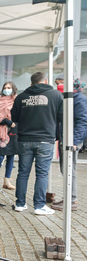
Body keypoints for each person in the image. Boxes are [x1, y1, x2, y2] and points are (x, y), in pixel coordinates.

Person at [11, 72, 63, 215]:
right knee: (42, 174)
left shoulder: (21, 97)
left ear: (31, 82)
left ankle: (20, 204)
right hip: (45, 140)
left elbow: (14, 117)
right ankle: (39, 206)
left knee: (23, 173)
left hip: (24, 140)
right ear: (45, 81)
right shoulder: (56, 95)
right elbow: (61, 117)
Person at [52, 78, 87, 211]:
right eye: (57, 84)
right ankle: (69, 198)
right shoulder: (66, 98)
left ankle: (72, 200)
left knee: (68, 169)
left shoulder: (79, 99)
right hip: (65, 139)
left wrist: (74, 141)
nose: (59, 85)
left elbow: (83, 122)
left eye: (62, 82)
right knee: (65, 169)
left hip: (71, 141)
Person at [0, 82, 18, 190]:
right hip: (1, 131)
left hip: (13, 131)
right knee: (0, 156)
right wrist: (5, 121)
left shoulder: (17, 100)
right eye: (5, 88)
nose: (7, 89)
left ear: (13, 89)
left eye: (9, 88)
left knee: (11, 156)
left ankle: (7, 180)